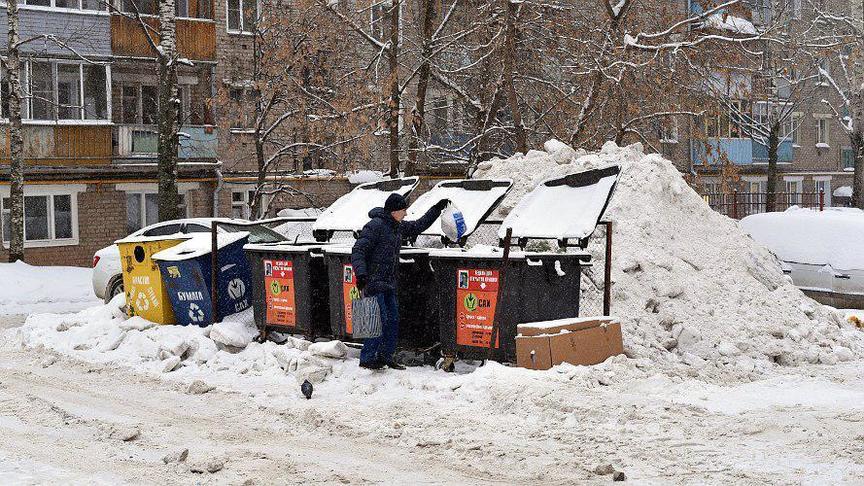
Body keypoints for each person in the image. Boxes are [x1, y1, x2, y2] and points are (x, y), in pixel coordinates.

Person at [351, 193, 450, 370]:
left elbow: (417, 226)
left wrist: (436, 209)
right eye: (403, 210)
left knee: (393, 320)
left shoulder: (396, 226)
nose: (406, 214)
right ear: (394, 211)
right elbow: (358, 250)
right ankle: (367, 358)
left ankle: (385, 356)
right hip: (373, 281)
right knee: (375, 319)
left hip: (389, 281)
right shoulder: (375, 226)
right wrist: (361, 275)